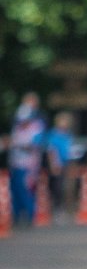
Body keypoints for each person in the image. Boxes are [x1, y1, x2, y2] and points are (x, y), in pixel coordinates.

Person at [8, 92, 45, 227]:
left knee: (26, 190)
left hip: (29, 164)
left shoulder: (36, 128)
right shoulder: (17, 128)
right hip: (15, 162)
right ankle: (16, 216)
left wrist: (19, 145)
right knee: (15, 190)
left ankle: (30, 216)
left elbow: (35, 145)